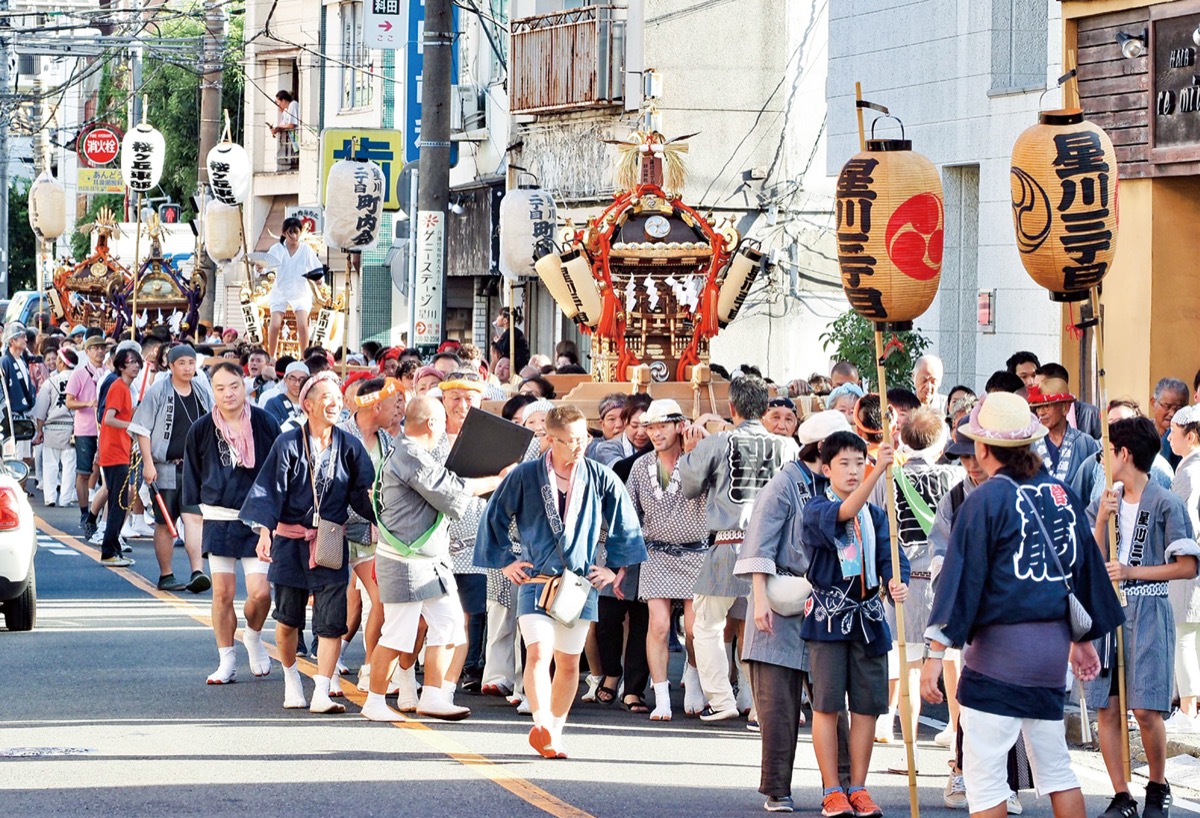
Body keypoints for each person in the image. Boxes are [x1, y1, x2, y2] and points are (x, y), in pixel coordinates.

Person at [921, 392, 1125, 818]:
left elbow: (960, 581)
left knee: (985, 778)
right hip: (1050, 654)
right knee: (1057, 770)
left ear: (982, 447)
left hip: (998, 656)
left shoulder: (983, 501)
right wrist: (1082, 638)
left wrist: (935, 654)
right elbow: (1083, 569)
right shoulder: (1061, 494)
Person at [475, 405, 647, 759]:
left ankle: (555, 729)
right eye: (570, 441)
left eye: (583, 438)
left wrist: (614, 569)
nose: (579, 446)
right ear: (551, 440)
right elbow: (493, 516)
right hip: (536, 578)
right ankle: (540, 724)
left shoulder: (600, 476)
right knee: (538, 652)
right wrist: (506, 561)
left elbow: (625, 523)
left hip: (578, 583)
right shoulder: (525, 475)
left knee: (568, 662)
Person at [736, 410, 853, 813]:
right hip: (780, 601)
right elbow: (759, 543)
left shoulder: (837, 483)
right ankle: (777, 789)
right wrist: (759, 599)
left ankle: (841, 785)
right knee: (778, 708)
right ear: (822, 448)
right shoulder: (783, 484)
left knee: (831, 701)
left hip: (825, 603)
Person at [362, 396, 507, 722]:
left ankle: (432, 695)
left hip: (429, 560)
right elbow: (452, 491)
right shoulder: (411, 455)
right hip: (406, 560)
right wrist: (497, 480)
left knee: (449, 625)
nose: (444, 429)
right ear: (431, 424)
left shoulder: (407, 451)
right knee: (397, 635)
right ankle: (374, 700)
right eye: (441, 422)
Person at [240, 371, 377, 714]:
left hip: (330, 540)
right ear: (308, 405)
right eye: (326, 398)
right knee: (288, 621)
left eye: (338, 398)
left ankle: (322, 691)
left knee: (331, 621)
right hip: (290, 542)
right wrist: (264, 533)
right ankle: (291, 678)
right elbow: (269, 492)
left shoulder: (349, 446)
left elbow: (365, 493)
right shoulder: (288, 443)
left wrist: (381, 517)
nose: (334, 404)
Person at [1085, 417, 1200, 818]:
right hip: (1109, 611)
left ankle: (1157, 784)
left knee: (1146, 708)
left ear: (1125, 454)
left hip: (1150, 608)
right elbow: (1091, 561)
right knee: (1107, 706)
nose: (1104, 459)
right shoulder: (1105, 500)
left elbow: (1187, 566)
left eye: (1108, 451)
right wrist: (1102, 520)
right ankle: (1122, 794)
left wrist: (1132, 571)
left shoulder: (1166, 502)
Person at [680, 375, 799, 723]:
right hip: (772, 550)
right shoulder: (788, 448)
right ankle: (763, 706)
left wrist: (690, 452)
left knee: (707, 624)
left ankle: (721, 699)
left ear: (731, 407)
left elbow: (688, 484)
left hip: (728, 545)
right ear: (764, 408)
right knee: (768, 628)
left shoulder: (719, 442)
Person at [803, 431, 909, 818]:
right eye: (844, 463)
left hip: (869, 619)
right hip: (828, 621)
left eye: (859, 463)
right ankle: (832, 789)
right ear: (826, 469)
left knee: (867, 708)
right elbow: (845, 512)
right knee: (827, 706)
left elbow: (892, 557)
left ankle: (859, 788)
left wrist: (896, 580)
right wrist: (877, 471)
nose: (853, 470)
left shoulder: (877, 516)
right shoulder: (816, 508)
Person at [870, 407, 961, 760]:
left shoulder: (886, 477)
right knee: (951, 662)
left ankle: (910, 752)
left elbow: (876, 528)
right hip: (945, 585)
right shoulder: (955, 477)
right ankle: (958, 740)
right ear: (941, 443)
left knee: (908, 667)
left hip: (903, 584)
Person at [182, 362, 281, 684]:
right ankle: (226, 659)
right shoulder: (201, 429)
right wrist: (193, 520)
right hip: (218, 516)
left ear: (245, 385)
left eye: (234, 386)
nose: (228, 394)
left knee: (261, 593)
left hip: (258, 517)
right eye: (221, 388)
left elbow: (280, 470)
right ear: (212, 391)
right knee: (222, 593)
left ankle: (253, 635)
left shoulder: (265, 422)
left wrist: (276, 515)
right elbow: (192, 477)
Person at [625, 399, 710, 721]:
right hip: (656, 552)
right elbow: (629, 514)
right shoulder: (640, 466)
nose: (655, 433)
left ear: (680, 426)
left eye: (662, 426)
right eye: (651, 427)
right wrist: (622, 562)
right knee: (658, 625)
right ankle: (661, 696)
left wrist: (695, 453)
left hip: (695, 551)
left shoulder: (699, 459)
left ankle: (693, 677)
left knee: (694, 629)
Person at [130, 344, 214, 593]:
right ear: (171, 365)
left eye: (191, 363)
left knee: (194, 518)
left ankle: (197, 571)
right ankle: (166, 574)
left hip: (194, 468)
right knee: (166, 523)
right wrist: (147, 463)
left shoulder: (201, 390)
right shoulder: (158, 390)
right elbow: (142, 429)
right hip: (164, 466)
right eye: (182, 363)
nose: (188, 368)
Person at [338, 377, 400, 692]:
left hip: (372, 532)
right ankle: (327, 671)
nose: (398, 411)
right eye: (393, 405)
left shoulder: (389, 440)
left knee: (381, 600)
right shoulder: (339, 434)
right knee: (332, 601)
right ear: (376, 407)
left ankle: (369, 667)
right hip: (335, 528)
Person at [97, 348, 141, 568]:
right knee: (119, 502)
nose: (135, 366)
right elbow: (109, 418)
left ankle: (113, 548)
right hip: (114, 451)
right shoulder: (118, 386)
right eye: (131, 362)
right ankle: (109, 550)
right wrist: (132, 425)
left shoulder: (125, 388)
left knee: (120, 501)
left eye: (137, 362)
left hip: (119, 450)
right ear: (121, 365)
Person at [1027, 378, 1101, 504]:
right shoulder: (1029, 444)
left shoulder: (1086, 443)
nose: (1041, 413)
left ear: (1065, 408)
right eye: (1038, 407)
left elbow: (1097, 485)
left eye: (1047, 406)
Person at [66, 336, 106, 537]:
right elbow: (69, 402)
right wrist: (88, 403)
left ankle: (101, 515)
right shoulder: (79, 374)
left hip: (106, 430)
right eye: (95, 348)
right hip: (85, 429)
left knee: (106, 473)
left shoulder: (108, 373)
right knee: (84, 472)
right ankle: (84, 512)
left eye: (102, 348)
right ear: (87, 351)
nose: (99, 351)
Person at [263, 217, 321, 356]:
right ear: (284, 233)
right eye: (290, 233)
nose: (294, 236)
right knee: (274, 325)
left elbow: (316, 267)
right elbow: (265, 265)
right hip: (280, 291)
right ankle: (271, 356)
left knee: (302, 325)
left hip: (300, 293)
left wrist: (319, 279)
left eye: (296, 232)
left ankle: (304, 357)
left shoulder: (306, 250)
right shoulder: (277, 249)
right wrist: (260, 268)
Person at [32, 348, 78, 508]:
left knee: (50, 465)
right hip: (72, 429)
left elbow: (40, 410)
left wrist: (39, 431)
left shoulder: (50, 382)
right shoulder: (80, 380)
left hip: (52, 428)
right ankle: (65, 499)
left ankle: (50, 497)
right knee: (69, 465)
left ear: (62, 362)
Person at [1, 322, 36, 465]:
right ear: (12, 341)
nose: (25, 339)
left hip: (23, 415)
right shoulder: (5, 361)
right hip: (11, 416)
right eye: (21, 336)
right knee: (13, 459)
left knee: (24, 459)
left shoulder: (22, 360)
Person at [591, 393, 651, 467]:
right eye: (611, 419)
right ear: (602, 424)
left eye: (646, 425)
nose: (619, 425)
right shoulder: (601, 447)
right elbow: (618, 470)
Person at [1152, 377, 1190, 470]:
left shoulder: (1190, 439)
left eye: (1179, 408)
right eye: (1167, 406)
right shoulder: (1141, 433)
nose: (1172, 413)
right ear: (1153, 402)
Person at [264, 360, 309, 429]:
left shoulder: (311, 403)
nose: (297, 384)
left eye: (302, 379)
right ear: (285, 380)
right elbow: (272, 429)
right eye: (292, 379)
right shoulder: (274, 403)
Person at [490, 306, 529, 373]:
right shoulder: (514, 333)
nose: (497, 318)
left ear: (505, 320)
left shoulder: (510, 333)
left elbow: (503, 351)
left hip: (513, 369)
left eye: (499, 315)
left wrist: (497, 343)